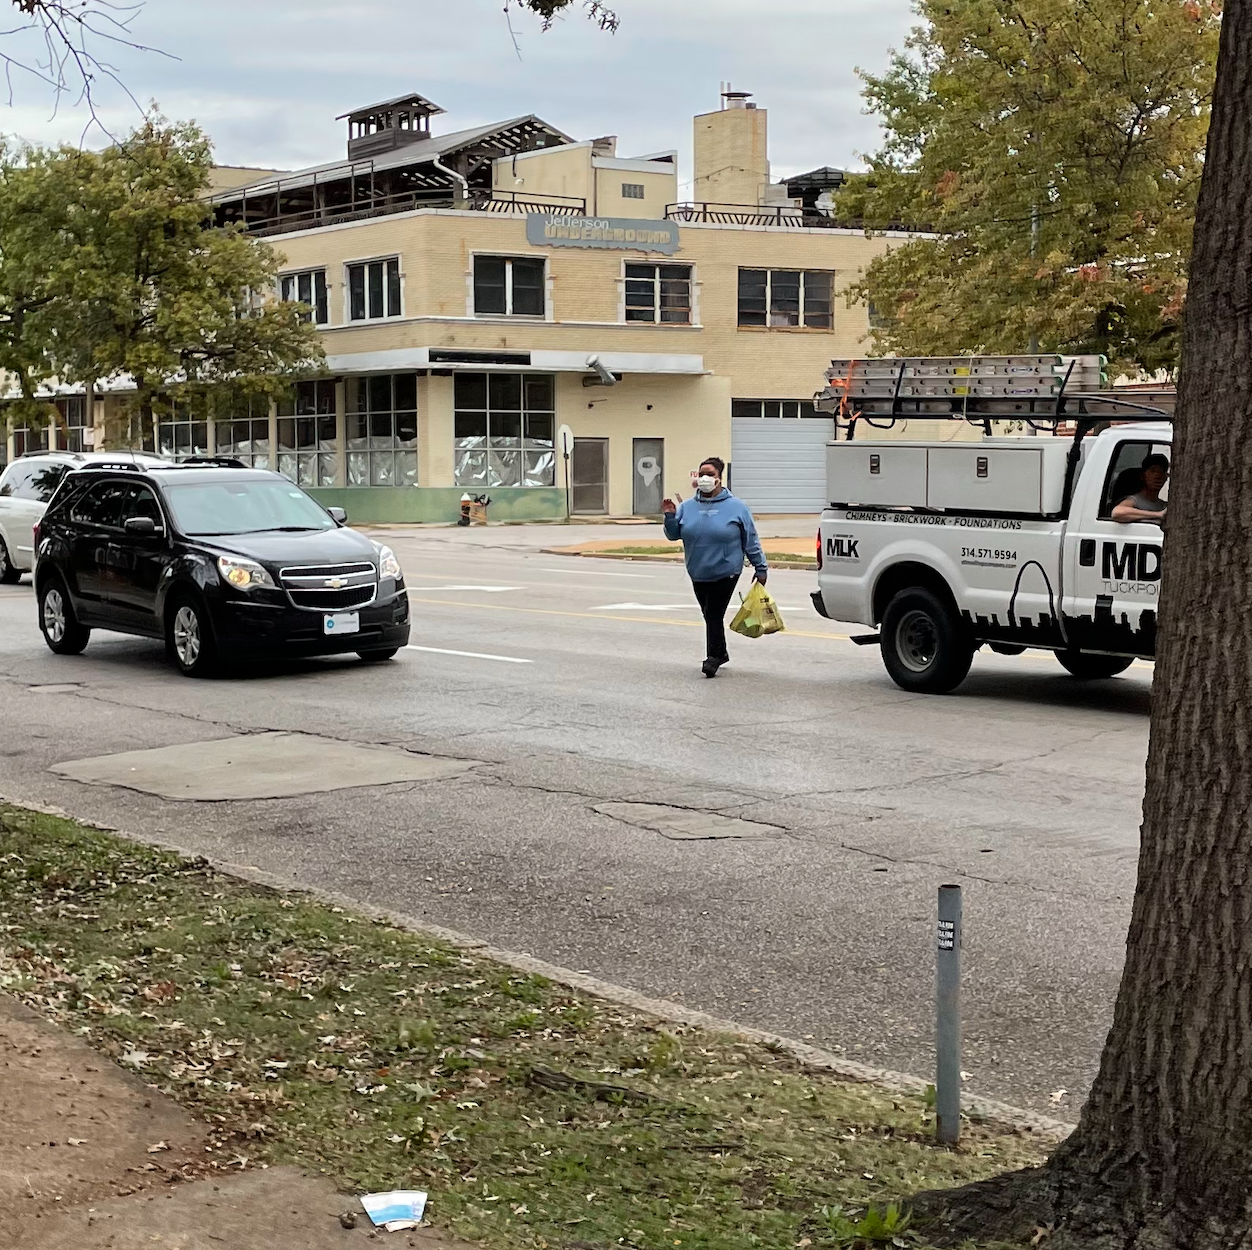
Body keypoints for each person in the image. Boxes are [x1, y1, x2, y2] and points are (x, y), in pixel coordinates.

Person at [662, 457, 767, 678]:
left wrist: (760, 567)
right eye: (701, 474)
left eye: (709, 474)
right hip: (698, 571)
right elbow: (674, 535)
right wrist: (670, 516)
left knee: (713, 613)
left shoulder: (736, 507)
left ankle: (713, 658)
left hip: (726, 570)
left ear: (719, 478)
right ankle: (721, 652)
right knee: (709, 614)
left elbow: (751, 539)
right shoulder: (688, 507)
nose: (704, 478)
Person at [1112, 453, 1169, 525]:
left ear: (1166, 478)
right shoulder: (1135, 500)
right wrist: (1158, 515)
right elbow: (1117, 513)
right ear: (1142, 476)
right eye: (1153, 470)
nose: (1158, 475)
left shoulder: (1163, 505)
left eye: (1162, 471)